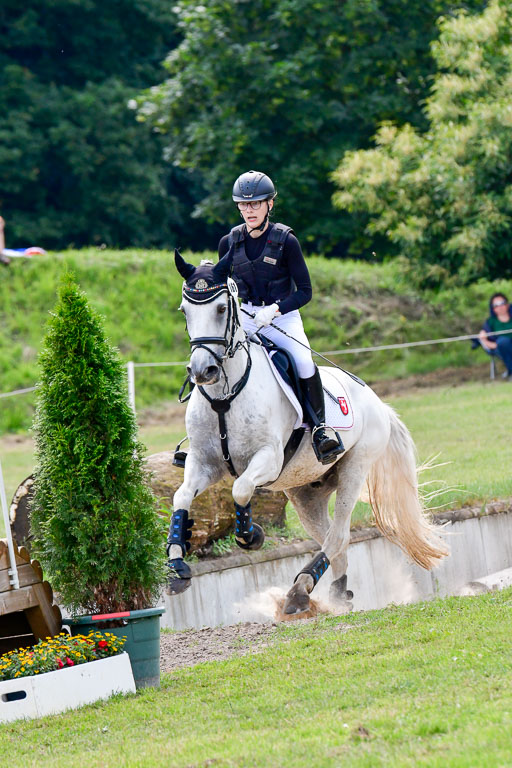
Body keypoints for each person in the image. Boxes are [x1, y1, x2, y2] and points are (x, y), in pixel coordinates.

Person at [218, 170, 344, 463]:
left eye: (256, 204)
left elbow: (306, 291)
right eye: (244, 205)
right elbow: (222, 283)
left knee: (302, 361)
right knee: (216, 358)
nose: (249, 210)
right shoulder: (229, 242)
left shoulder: (286, 241)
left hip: (281, 316)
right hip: (246, 316)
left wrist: (275, 310)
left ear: (269, 205)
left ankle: (320, 430)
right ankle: (204, 433)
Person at [479, 292, 512, 378]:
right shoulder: (490, 322)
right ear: (493, 308)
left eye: (502, 303)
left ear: (507, 305)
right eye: (496, 305)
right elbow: (486, 341)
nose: (500, 307)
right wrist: (486, 340)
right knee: (503, 342)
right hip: (502, 348)